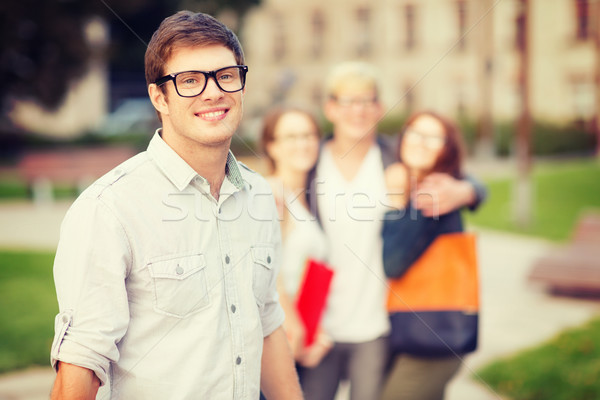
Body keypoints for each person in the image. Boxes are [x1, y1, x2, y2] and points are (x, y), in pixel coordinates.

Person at [49, 11, 302, 400]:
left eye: (226, 75)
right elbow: (81, 362)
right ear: (158, 97)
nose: (213, 92)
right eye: (189, 81)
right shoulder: (109, 207)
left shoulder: (260, 195)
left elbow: (266, 324)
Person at [302, 61, 486, 400]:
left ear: (379, 108)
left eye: (366, 101)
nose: (357, 110)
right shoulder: (309, 164)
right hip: (321, 323)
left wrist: (468, 190)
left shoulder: (397, 159)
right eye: (347, 101)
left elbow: (456, 173)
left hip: (379, 326)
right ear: (330, 108)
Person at [381, 110, 476, 400]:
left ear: (447, 148)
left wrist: (395, 203)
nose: (421, 142)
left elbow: (393, 263)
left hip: (432, 338)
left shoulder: (434, 193)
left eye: (433, 138)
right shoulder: (426, 185)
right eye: (415, 133)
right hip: (424, 334)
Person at [260, 106, 333, 370]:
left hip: (302, 335)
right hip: (279, 334)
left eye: (309, 135)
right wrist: (295, 326)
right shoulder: (273, 192)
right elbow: (269, 269)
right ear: (272, 146)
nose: (302, 144)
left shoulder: (309, 199)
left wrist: (318, 332)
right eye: (291, 137)